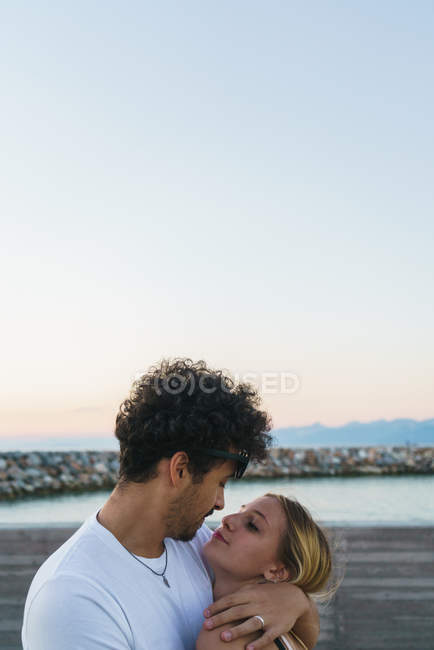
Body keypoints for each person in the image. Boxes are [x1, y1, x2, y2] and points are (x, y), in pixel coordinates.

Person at [22, 359, 319, 650]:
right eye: (220, 483)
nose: (220, 504)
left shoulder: (198, 544)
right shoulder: (73, 598)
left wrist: (299, 604)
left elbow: (300, 634)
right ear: (180, 469)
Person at [196, 494, 332, 650]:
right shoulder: (285, 634)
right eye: (240, 512)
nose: (227, 519)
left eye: (252, 525)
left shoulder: (227, 637)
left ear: (277, 571)